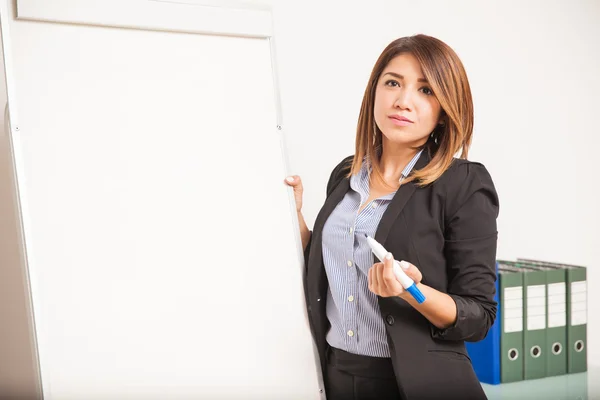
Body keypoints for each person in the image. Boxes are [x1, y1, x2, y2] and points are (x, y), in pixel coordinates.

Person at [284, 34, 499, 400]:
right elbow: (329, 270)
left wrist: (410, 290)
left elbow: (478, 315)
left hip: (416, 383)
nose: (403, 101)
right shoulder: (346, 174)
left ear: (445, 109)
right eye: (393, 83)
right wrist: (295, 219)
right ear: (375, 92)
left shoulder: (463, 183)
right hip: (336, 373)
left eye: (426, 90)